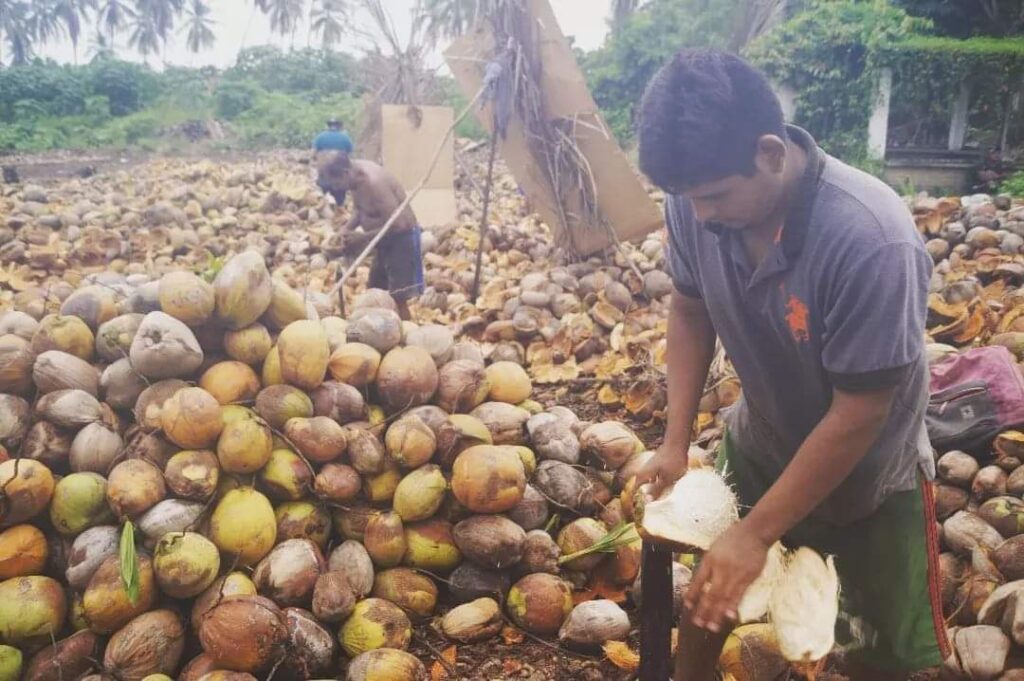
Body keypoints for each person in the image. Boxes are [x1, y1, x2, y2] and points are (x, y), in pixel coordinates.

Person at [633, 49, 946, 681]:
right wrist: (673, 443)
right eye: (685, 199)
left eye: (715, 195)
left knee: (877, 651)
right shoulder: (697, 200)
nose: (699, 215)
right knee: (709, 602)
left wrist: (754, 536)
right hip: (763, 440)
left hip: (868, 476)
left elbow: (861, 413)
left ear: (771, 153)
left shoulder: (869, 238)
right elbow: (691, 312)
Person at [320, 152, 424, 321]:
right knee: (375, 291)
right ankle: (379, 334)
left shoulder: (374, 183)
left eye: (337, 183)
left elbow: (399, 224)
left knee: (398, 297)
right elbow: (360, 209)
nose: (338, 189)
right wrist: (345, 230)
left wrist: (362, 238)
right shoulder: (354, 179)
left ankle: (406, 338)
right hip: (382, 240)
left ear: (345, 173)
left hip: (402, 240)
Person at [314, 119, 354, 206]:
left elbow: (313, 154)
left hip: (324, 175)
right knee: (340, 199)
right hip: (340, 176)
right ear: (340, 127)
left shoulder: (320, 137)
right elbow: (350, 156)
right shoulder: (345, 138)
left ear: (328, 126)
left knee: (323, 199)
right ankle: (340, 208)